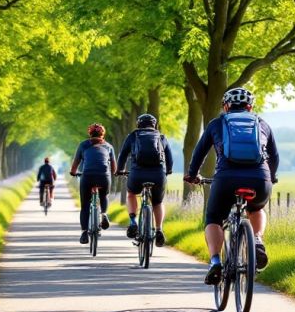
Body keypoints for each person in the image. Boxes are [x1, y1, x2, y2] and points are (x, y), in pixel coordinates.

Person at [184, 87, 279, 284]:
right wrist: (271, 177)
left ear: (226, 106)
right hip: (259, 179)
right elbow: (274, 156)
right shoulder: (262, 124)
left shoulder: (216, 123)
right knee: (257, 208)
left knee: (213, 218)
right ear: (250, 106)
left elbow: (199, 153)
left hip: (226, 179)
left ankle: (215, 262)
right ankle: (258, 239)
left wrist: (193, 175)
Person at [116, 114, 173, 248]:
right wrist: (168, 170)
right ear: (154, 125)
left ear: (138, 124)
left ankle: (133, 222)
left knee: (131, 194)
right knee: (157, 202)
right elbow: (169, 157)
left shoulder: (133, 136)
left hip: (137, 173)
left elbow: (123, 154)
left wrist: (119, 170)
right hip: (158, 174)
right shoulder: (161, 137)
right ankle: (159, 229)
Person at [69, 123, 117, 244]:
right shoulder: (109, 146)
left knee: (85, 205)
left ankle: (84, 233)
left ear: (90, 134)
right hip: (104, 177)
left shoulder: (83, 145)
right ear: (103, 134)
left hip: (87, 176)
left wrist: (73, 172)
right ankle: (104, 213)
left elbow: (75, 163)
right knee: (104, 195)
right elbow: (114, 168)